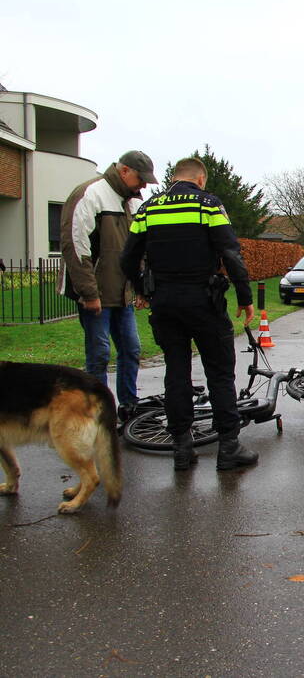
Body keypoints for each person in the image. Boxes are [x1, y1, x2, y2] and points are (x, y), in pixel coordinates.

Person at [120, 157, 257, 472]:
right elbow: (230, 253)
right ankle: (229, 449)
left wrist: (144, 290)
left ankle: (182, 449)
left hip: (165, 303)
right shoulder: (207, 204)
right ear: (200, 179)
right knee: (220, 373)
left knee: (176, 373)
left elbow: (128, 258)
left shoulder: (147, 208)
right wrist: (245, 297)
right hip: (203, 301)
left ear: (174, 178)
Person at [59, 150, 157, 419]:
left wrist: (140, 288)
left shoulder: (135, 201)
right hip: (97, 295)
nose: (144, 185)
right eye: (141, 178)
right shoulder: (90, 194)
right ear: (124, 171)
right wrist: (89, 293)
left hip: (122, 293)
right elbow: (75, 247)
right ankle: (98, 413)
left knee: (131, 349)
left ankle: (128, 405)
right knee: (99, 354)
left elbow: (141, 250)